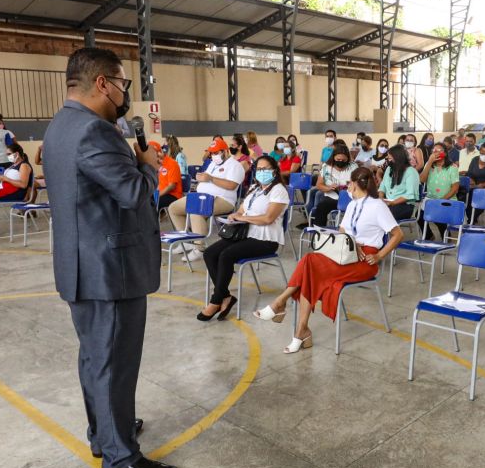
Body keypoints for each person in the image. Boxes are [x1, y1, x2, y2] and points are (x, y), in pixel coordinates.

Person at [42, 47, 176, 468]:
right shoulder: (94, 133)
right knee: (114, 362)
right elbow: (135, 195)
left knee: (96, 358)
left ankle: (105, 431)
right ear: (102, 82)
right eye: (122, 82)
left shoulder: (60, 126)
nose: (125, 92)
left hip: (82, 264)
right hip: (108, 269)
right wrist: (150, 167)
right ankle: (120, 456)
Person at [255, 167, 404, 353]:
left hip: (365, 260)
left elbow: (398, 234)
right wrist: (351, 243)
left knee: (310, 264)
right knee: (310, 267)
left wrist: (380, 255)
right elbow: (342, 230)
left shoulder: (378, 206)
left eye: (349, 183)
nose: (348, 187)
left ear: (356, 184)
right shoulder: (352, 205)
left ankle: (282, 305)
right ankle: (299, 328)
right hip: (347, 252)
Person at [200, 155, 289, 321]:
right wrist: (235, 215)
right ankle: (226, 296)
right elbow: (241, 210)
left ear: (275, 171)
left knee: (226, 255)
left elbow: (268, 218)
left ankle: (216, 300)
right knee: (210, 253)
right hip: (244, 234)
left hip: (266, 240)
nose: (262, 172)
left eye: (266, 169)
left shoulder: (279, 190)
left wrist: (244, 218)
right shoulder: (255, 189)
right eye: (259, 169)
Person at [169, 137, 245, 262]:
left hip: (223, 200)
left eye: (216, 153)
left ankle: (199, 248)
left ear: (225, 151)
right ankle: (187, 241)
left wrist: (210, 179)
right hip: (203, 196)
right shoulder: (212, 164)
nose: (214, 155)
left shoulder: (235, 166)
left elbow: (232, 185)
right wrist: (201, 178)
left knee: (197, 210)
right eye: (212, 153)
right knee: (174, 208)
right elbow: (207, 178)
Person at [0, 143, 33, 231]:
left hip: (15, 192)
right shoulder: (13, 165)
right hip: (5, 189)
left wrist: (5, 178)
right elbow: (7, 179)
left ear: (17, 154)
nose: (8, 156)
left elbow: (23, 184)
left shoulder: (24, 165)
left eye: (9, 154)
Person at [418, 142, 460, 240]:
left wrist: (441, 201)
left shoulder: (452, 168)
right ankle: (430, 236)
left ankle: (445, 236)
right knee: (419, 217)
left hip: (447, 200)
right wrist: (429, 162)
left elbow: (455, 188)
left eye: (439, 150)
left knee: (437, 214)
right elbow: (422, 180)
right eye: (434, 151)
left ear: (445, 153)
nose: (435, 153)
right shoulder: (429, 166)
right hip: (431, 200)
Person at [312, 144, 357, 227]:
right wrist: (328, 188)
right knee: (322, 206)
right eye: (338, 159)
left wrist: (348, 186)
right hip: (332, 198)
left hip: (349, 198)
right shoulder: (326, 167)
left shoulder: (353, 167)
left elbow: (358, 184)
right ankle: (319, 232)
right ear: (333, 157)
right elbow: (319, 185)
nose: (340, 161)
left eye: (343, 160)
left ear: (347, 159)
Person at [379, 144, 420, 221]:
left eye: (390, 158)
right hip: (389, 203)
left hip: (405, 206)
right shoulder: (389, 169)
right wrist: (381, 199)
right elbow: (382, 187)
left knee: (384, 216)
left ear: (398, 158)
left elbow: (410, 195)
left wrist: (393, 203)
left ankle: (390, 233)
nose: (387, 160)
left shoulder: (411, 172)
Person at [152, 140, 183, 210]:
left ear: (159, 153)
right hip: (159, 194)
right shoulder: (154, 164)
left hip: (172, 195)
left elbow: (171, 186)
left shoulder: (172, 163)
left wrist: (157, 195)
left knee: (151, 203)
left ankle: (153, 220)